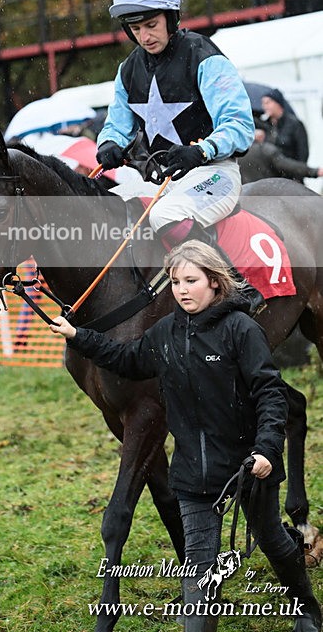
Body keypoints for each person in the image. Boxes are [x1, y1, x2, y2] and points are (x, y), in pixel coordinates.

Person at [50, 240, 321, 632]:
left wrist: (265, 450)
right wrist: (78, 335)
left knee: (274, 542)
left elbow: (269, 393)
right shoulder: (166, 332)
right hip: (193, 473)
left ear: (214, 282)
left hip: (249, 467)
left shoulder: (242, 329)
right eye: (175, 281)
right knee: (198, 569)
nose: (181, 289)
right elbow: (127, 359)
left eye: (191, 280)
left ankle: (308, 610)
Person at [95, 0, 264, 315]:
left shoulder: (205, 57)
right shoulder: (128, 70)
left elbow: (240, 126)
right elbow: (116, 125)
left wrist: (201, 150)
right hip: (163, 179)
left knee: (167, 214)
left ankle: (236, 287)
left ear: (171, 18)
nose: (144, 36)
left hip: (214, 174)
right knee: (105, 207)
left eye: (151, 24)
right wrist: (108, 144)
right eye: (136, 28)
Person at [240, 129, 323, 184]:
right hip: (269, 195)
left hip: (246, 199)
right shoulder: (264, 149)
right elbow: (287, 166)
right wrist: (314, 171)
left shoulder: (236, 155)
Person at [260, 88, 309, 165]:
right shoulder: (265, 124)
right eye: (263, 103)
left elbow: (303, 152)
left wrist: (298, 173)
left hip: (290, 172)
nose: (264, 106)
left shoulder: (294, 124)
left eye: (268, 103)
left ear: (278, 103)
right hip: (271, 172)